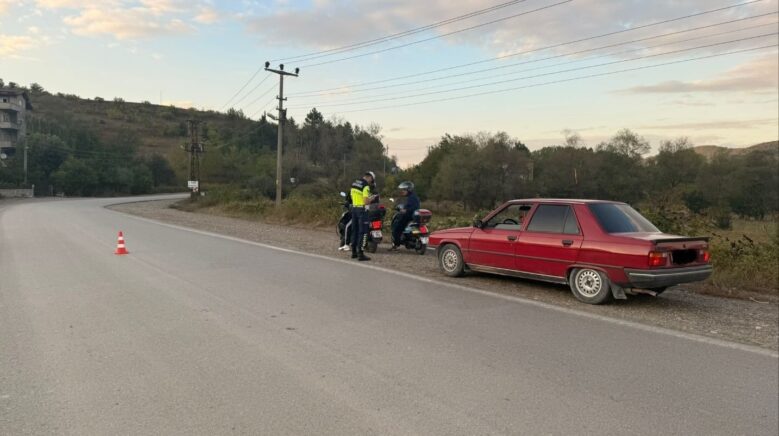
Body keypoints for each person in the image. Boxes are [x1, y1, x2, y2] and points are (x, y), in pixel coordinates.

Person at [350, 171, 377, 261]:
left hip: (354, 209)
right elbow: (366, 201)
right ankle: (361, 254)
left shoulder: (354, 183)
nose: (370, 183)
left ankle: (354, 252)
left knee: (355, 230)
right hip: (362, 210)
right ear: (369, 178)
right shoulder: (365, 186)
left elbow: (351, 196)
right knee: (363, 232)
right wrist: (372, 198)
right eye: (371, 181)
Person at [391, 181, 420, 250]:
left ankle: (396, 243)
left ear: (408, 189)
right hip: (414, 216)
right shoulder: (413, 196)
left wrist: (405, 210)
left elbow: (413, 207)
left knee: (396, 228)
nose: (402, 191)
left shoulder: (411, 198)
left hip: (408, 216)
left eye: (404, 190)